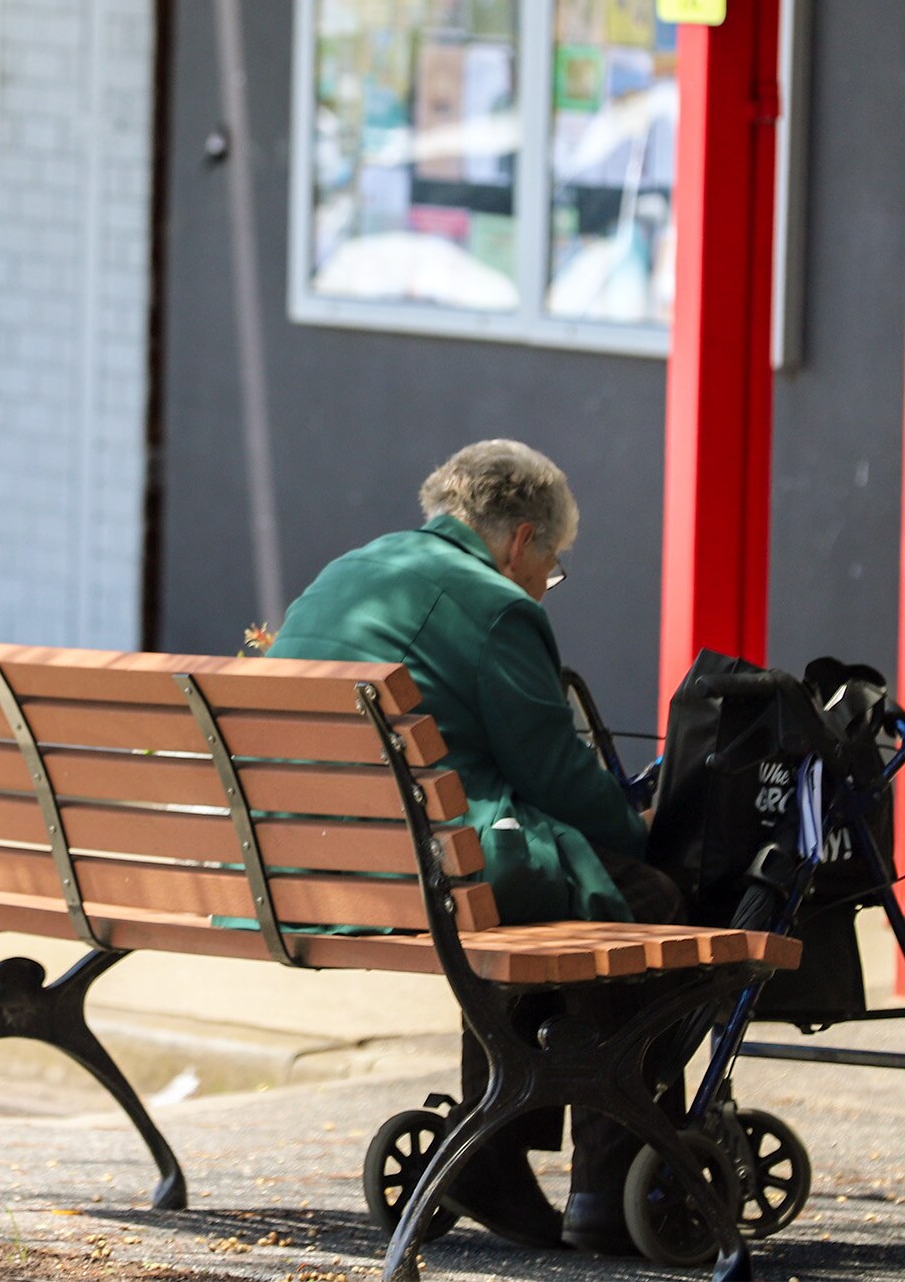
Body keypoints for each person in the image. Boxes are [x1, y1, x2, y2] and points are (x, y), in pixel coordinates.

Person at [267, 438, 684, 1255]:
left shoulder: (349, 571)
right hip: (425, 868)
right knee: (643, 900)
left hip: (310, 861)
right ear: (522, 539)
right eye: (552, 564)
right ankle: (606, 1178)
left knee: (513, 890)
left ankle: (491, 1146)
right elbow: (559, 774)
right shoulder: (495, 604)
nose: (545, 583)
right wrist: (643, 835)